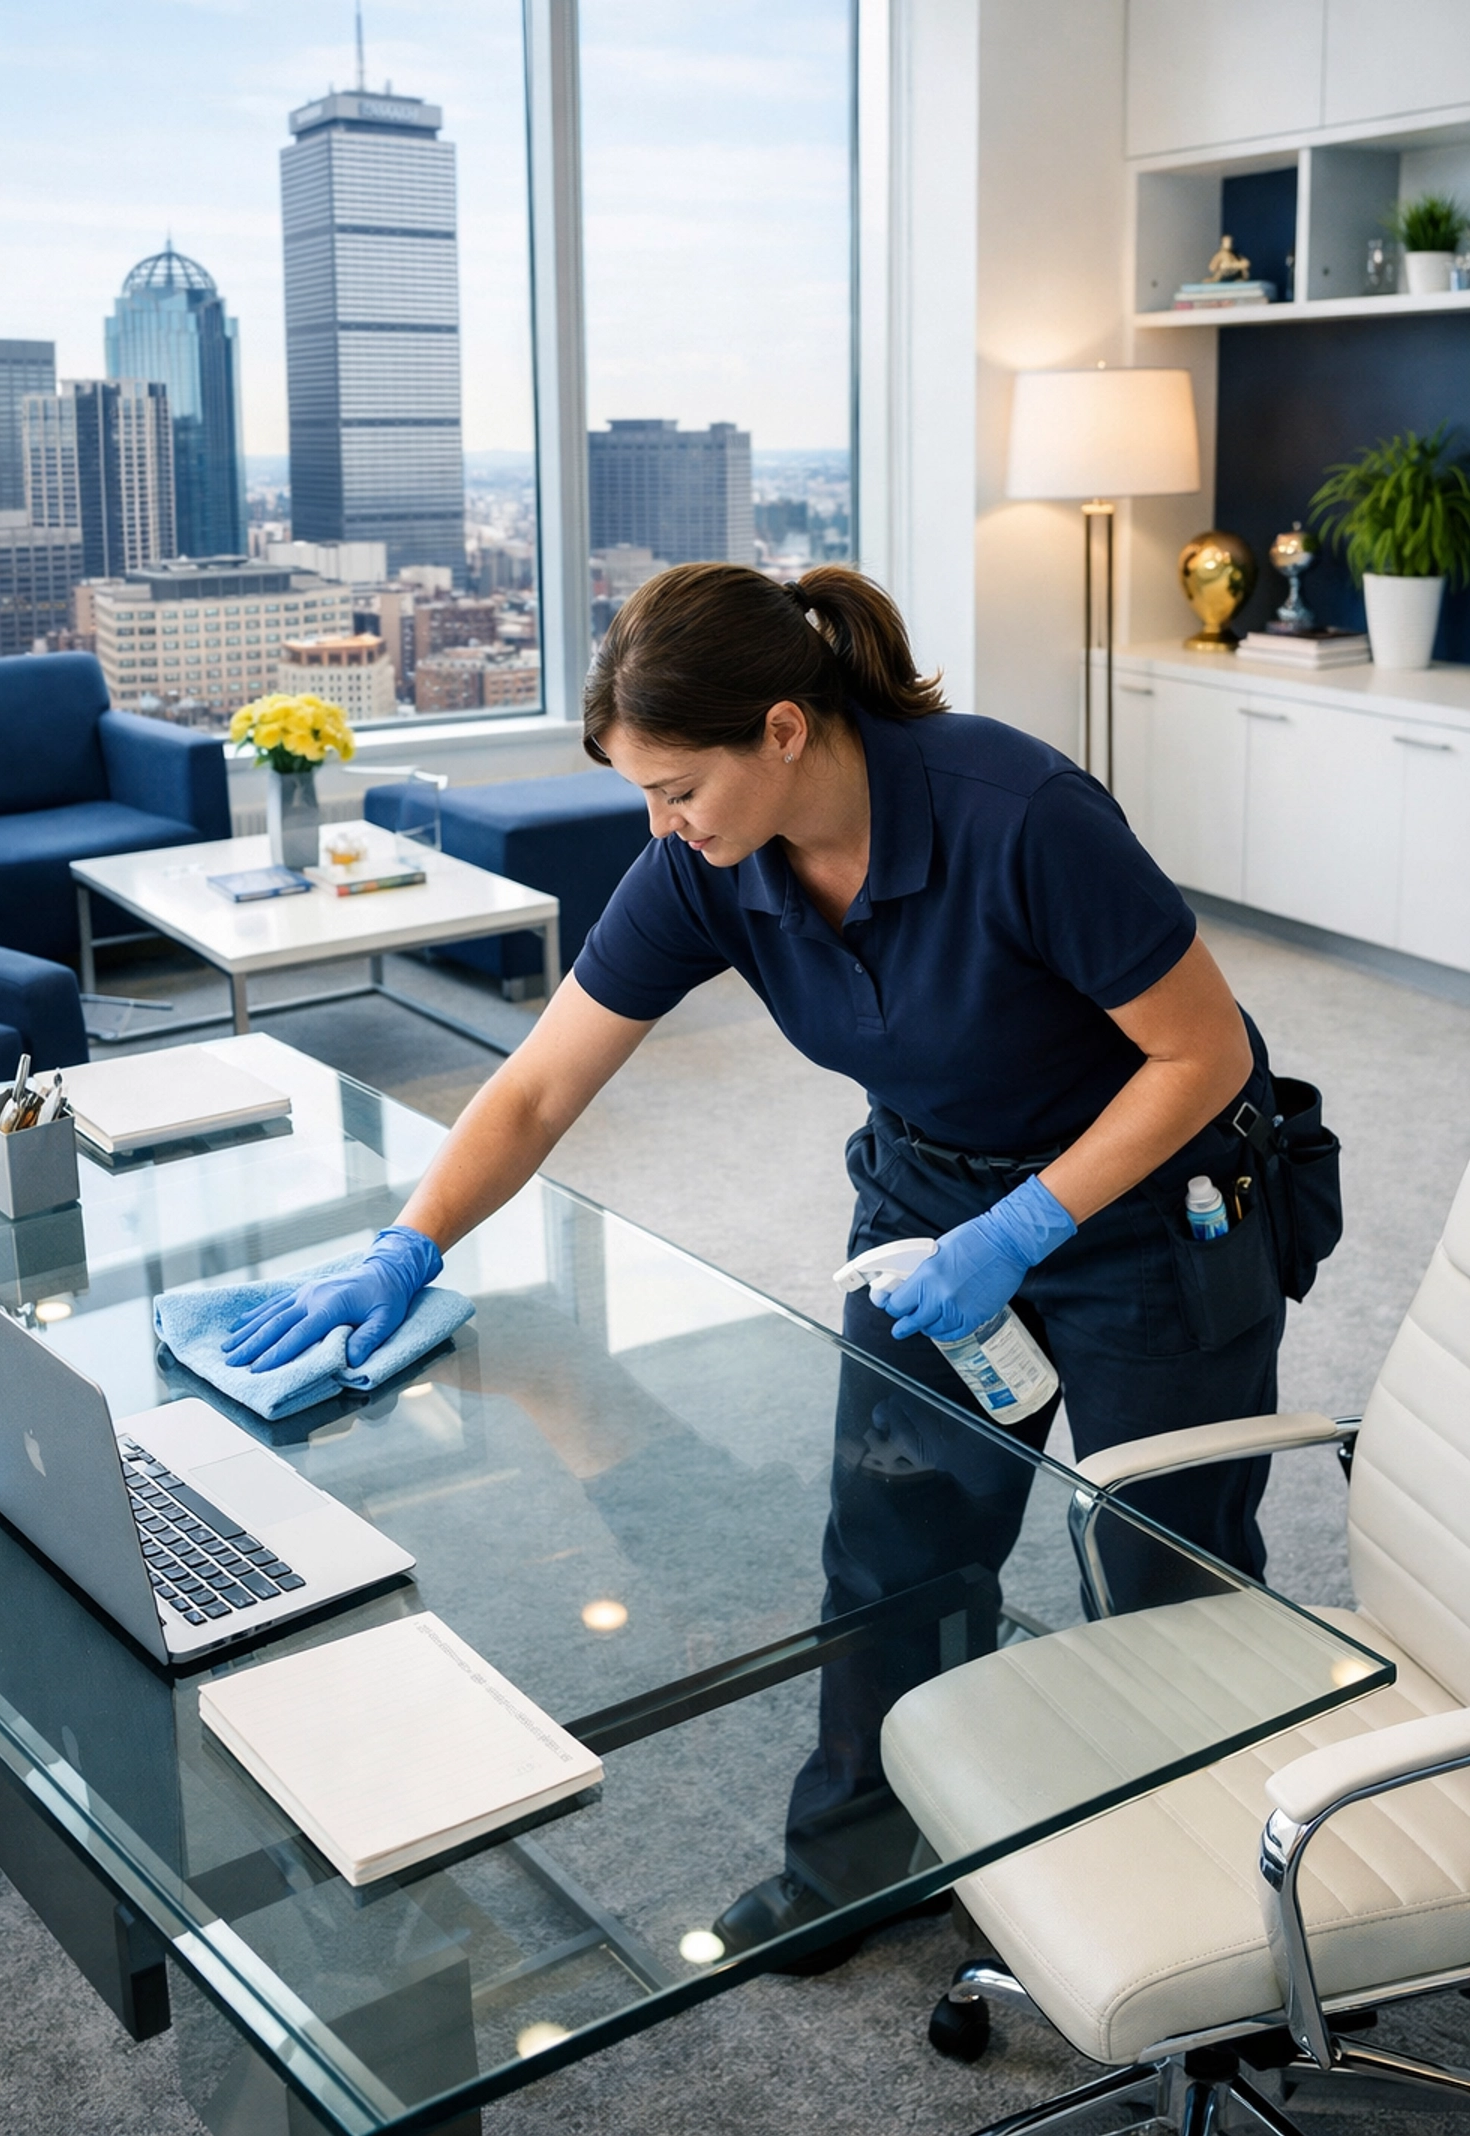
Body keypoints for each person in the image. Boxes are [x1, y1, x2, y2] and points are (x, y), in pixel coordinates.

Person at [224, 562, 1286, 1964]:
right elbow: (538, 1086)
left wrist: (1029, 1224)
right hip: (926, 1207)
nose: (661, 826)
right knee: (893, 1550)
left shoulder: (1018, 813)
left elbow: (1204, 1055)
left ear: (784, 730)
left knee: (1160, 1564)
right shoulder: (711, 865)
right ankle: (858, 1867)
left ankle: (1223, 1898)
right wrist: (410, 1241)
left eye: (676, 789)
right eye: (645, 796)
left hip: (1150, 1205)